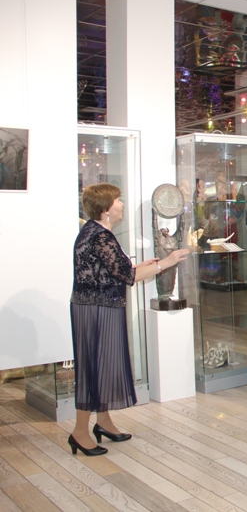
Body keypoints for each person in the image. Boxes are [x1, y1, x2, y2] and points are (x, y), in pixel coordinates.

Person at [69, 183, 189, 456]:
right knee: (93, 368)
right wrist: (167, 261)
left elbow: (114, 270)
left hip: (97, 307)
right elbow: (129, 276)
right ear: (105, 209)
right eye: (117, 200)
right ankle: (79, 432)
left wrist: (141, 265)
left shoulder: (95, 231)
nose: (121, 204)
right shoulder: (101, 236)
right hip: (97, 310)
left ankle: (103, 421)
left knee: (102, 365)